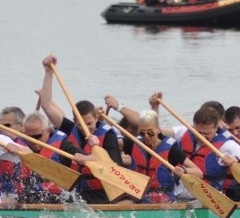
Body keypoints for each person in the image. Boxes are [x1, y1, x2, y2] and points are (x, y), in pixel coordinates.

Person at [36, 54, 123, 204]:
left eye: (89, 124)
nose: (85, 128)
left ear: (97, 118)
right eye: (81, 124)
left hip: (105, 193)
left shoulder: (108, 135)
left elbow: (115, 167)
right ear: (75, 121)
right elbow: (46, 105)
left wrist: (88, 158)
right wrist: (48, 72)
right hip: (78, 192)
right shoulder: (71, 129)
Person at [128, 110, 201, 203]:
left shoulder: (171, 149)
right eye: (142, 133)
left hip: (163, 197)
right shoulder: (134, 143)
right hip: (137, 194)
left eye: (150, 133)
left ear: (158, 130)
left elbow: (199, 172)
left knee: (149, 200)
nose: (146, 136)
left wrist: (184, 170)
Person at [15, 111, 82, 204]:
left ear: (48, 131)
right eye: (29, 137)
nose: (33, 141)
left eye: (37, 136)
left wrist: (82, 158)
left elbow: (84, 157)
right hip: (28, 197)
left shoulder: (63, 145)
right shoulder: (20, 144)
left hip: (58, 198)